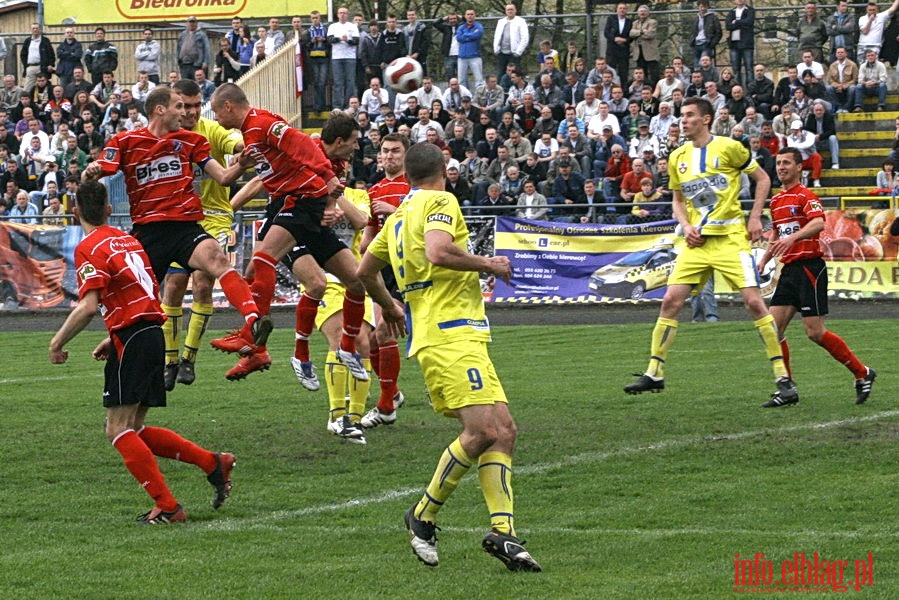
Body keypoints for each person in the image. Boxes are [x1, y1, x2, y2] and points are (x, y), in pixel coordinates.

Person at [356, 140, 541, 572]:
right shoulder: (441, 200)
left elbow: (365, 270)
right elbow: (439, 251)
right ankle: (422, 515)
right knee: (480, 432)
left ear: (406, 175)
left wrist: (389, 304)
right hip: (449, 335)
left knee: (505, 430)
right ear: (444, 169)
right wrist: (487, 265)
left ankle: (504, 532)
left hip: (458, 335)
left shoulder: (399, 214)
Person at [48, 179, 235, 525]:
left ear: (75, 213)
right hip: (152, 332)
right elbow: (147, 289)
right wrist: (119, 332)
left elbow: (89, 306)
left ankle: (167, 506)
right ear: (108, 209)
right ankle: (213, 463)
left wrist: (57, 342)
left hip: (135, 335)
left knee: (117, 429)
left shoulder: (89, 246)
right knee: (134, 426)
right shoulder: (129, 239)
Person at [81, 86, 269, 374]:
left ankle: (252, 321)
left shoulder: (191, 141)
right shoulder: (125, 141)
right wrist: (91, 171)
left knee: (217, 261)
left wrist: (241, 166)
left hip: (185, 228)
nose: (186, 113)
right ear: (160, 109)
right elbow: (97, 172)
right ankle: (116, 341)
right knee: (137, 299)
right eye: (179, 107)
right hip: (148, 233)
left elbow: (223, 177)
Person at [624, 97, 797, 403]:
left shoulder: (730, 147)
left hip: (730, 238)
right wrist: (685, 225)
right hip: (696, 243)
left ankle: (783, 379)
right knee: (670, 302)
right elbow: (678, 200)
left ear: (706, 119)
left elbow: (762, 179)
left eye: (689, 115)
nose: (683, 120)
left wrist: (755, 216)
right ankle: (654, 373)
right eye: (681, 116)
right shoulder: (678, 156)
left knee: (755, 304)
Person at [208, 84, 368, 382]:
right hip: (297, 204)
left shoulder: (262, 123)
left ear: (228, 106)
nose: (215, 118)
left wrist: (328, 177)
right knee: (355, 282)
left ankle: (254, 336)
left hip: (299, 202)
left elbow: (303, 143)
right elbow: (263, 173)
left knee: (265, 261)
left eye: (216, 111)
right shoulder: (251, 132)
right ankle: (260, 348)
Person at [757, 147, 876, 407]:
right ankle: (787, 388)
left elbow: (818, 223)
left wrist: (793, 237)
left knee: (815, 332)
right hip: (789, 269)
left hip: (810, 267)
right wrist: (765, 258)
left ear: (800, 167)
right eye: (779, 163)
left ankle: (862, 373)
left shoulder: (807, 196)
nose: (781, 167)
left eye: (787, 163)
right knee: (772, 330)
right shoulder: (776, 201)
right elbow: (777, 234)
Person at [156, 79, 243, 391]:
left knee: (204, 281)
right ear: (174, 105)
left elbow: (233, 140)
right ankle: (170, 361)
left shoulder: (211, 129)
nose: (192, 112)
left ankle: (190, 357)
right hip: (179, 220)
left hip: (215, 220)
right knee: (174, 286)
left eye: (196, 106)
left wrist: (242, 148)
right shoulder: (163, 134)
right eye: (185, 106)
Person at [357, 134, 410, 428]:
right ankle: (390, 396)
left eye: (395, 151)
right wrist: (364, 254)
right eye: (385, 151)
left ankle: (388, 401)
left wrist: (395, 212)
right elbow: (368, 237)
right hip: (382, 267)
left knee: (386, 333)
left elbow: (420, 223)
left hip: (408, 266)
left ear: (405, 154)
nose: (389, 156)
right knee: (379, 335)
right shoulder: (375, 189)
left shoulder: (414, 188)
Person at [493, 4, 529, 78]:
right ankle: (501, 89)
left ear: (515, 10)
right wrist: (496, 49)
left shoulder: (521, 21)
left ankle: (515, 89)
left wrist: (518, 52)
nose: (510, 11)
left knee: (515, 74)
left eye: (511, 9)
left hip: (514, 54)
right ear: (505, 11)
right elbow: (496, 36)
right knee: (500, 74)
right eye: (508, 9)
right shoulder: (501, 22)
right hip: (502, 53)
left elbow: (525, 38)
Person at [726, 0, 755, 85]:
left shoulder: (750, 10)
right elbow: (728, 25)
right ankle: (737, 88)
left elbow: (749, 22)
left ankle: (750, 90)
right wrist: (741, 23)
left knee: (749, 69)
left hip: (747, 43)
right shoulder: (732, 11)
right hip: (734, 44)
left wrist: (736, 22)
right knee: (735, 69)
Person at [630, 5, 660, 85]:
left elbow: (650, 34)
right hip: (638, 52)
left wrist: (637, 33)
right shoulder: (635, 23)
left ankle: (654, 91)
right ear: (638, 13)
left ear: (648, 13)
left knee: (654, 74)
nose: (642, 13)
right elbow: (631, 34)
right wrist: (642, 31)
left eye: (644, 11)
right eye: (641, 11)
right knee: (642, 74)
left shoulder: (653, 22)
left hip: (650, 53)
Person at [456, 9, 485, 91]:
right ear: (465, 16)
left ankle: (479, 98)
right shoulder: (461, 27)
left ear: (474, 16)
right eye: (468, 14)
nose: (470, 16)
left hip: (475, 56)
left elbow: (477, 34)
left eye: (472, 14)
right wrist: (471, 36)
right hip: (462, 57)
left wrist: (465, 35)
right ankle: (464, 99)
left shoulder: (478, 26)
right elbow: (458, 38)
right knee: (461, 80)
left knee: (479, 80)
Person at [20, 23, 55, 91]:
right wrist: (26, 65)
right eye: (33, 28)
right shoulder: (27, 41)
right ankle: (26, 100)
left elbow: (51, 53)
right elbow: (23, 54)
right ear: (31, 30)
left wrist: (51, 64)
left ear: (40, 29)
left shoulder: (45, 40)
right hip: (30, 67)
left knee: (44, 86)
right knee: (28, 88)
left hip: (42, 67)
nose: (35, 30)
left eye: (36, 28)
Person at [605, 4, 633, 81]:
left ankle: (623, 91)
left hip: (624, 51)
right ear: (617, 10)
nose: (622, 10)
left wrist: (625, 40)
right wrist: (614, 39)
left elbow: (632, 36)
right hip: (612, 50)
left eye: (624, 8)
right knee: (610, 72)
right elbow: (606, 33)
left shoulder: (629, 22)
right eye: (620, 8)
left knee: (623, 73)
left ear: (626, 10)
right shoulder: (611, 19)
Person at [690, 0, 722, 68]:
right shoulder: (696, 18)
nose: (702, 9)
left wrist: (712, 43)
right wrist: (692, 40)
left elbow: (718, 32)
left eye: (704, 6)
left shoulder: (713, 17)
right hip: (696, 44)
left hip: (707, 44)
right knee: (696, 66)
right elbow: (693, 31)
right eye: (701, 7)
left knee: (704, 64)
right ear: (698, 7)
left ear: (707, 7)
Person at [177, 17, 210, 81]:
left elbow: (207, 48)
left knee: (197, 84)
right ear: (187, 23)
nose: (191, 24)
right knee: (185, 84)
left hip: (197, 64)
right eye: (190, 22)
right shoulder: (182, 34)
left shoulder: (202, 35)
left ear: (197, 23)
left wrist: (206, 62)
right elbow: (178, 48)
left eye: (193, 22)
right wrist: (178, 60)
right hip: (184, 64)